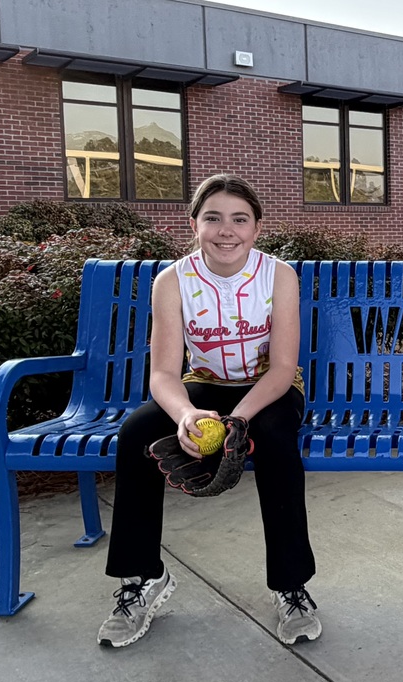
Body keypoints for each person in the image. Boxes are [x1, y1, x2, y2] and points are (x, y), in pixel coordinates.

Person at [98, 174, 322, 648]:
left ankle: (290, 585)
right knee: (137, 433)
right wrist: (184, 415)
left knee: (278, 440)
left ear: (257, 228)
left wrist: (238, 419)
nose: (227, 230)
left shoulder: (278, 275)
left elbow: (283, 368)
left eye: (240, 219)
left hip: (269, 389)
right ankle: (141, 580)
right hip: (202, 387)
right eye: (213, 218)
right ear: (194, 224)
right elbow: (162, 375)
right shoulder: (172, 281)